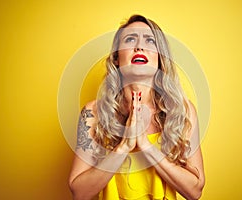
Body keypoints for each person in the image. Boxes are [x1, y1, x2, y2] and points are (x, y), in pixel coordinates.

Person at [68, 14, 205, 200]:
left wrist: (147, 147)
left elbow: (194, 191)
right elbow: (79, 193)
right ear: (116, 58)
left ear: (160, 58)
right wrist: (124, 146)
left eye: (150, 41)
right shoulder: (92, 114)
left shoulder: (182, 112)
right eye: (130, 39)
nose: (139, 47)